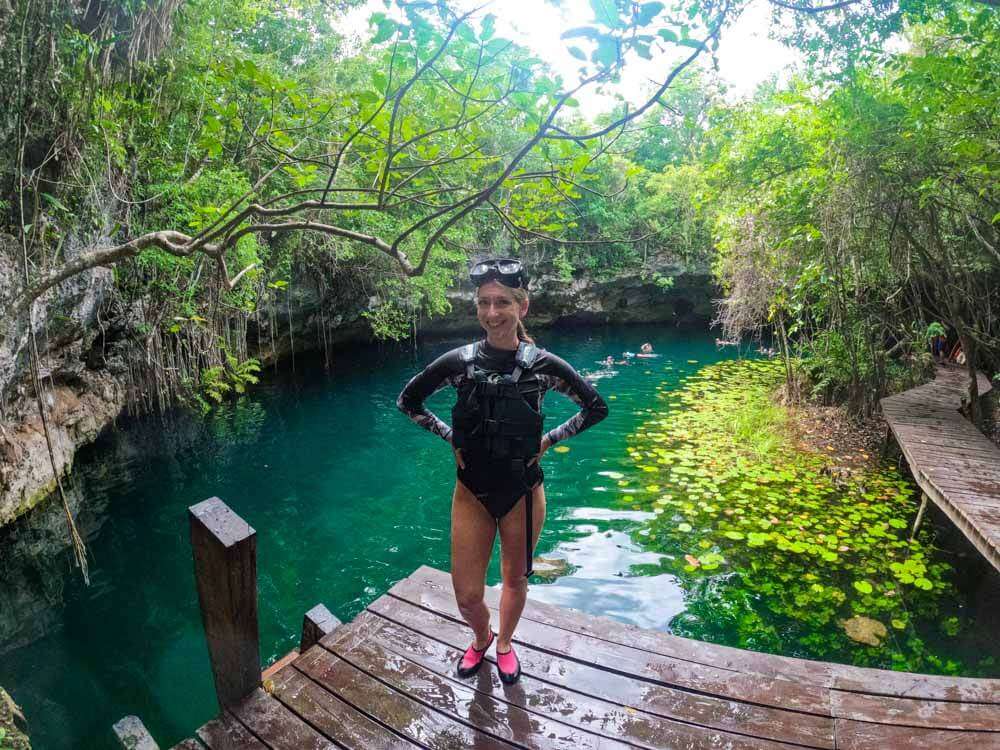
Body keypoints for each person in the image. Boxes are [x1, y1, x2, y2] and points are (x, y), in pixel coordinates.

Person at [397, 258, 608, 685]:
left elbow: (596, 408)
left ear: (522, 307)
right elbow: (408, 401)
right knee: (468, 594)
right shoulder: (458, 362)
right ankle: (481, 638)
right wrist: (447, 436)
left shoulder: (544, 366)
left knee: (514, 580)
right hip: (471, 490)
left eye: (502, 303)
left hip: (523, 492)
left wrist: (549, 440)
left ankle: (506, 645)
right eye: (484, 303)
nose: (492, 313)